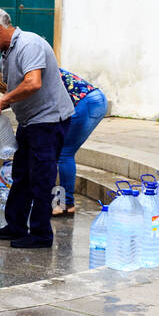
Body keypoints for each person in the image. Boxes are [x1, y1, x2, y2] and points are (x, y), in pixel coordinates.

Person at [0, 8, 74, 248]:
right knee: (21, 175)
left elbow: (33, 83)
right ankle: (16, 225)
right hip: (31, 121)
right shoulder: (8, 51)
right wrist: (4, 106)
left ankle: (41, 234)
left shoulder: (29, 44)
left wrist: (3, 100)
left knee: (41, 178)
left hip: (49, 122)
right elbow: (20, 89)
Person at [55, 70, 108, 217]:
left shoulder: (32, 74)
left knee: (64, 154)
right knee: (64, 152)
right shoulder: (37, 64)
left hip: (86, 103)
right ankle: (65, 204)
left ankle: (65, 204)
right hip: (95, 99)